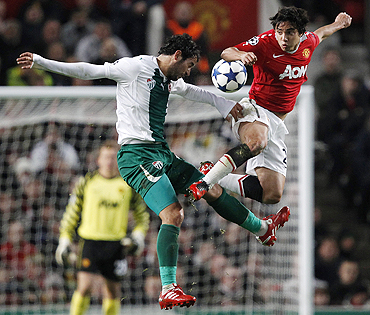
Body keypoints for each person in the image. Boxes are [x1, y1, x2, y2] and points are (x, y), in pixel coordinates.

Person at [17, 33, 290, 310]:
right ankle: (168, 288)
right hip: (136, 156)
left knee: (212, 186)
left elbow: (195, 92)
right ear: (177, 56)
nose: (188, 72)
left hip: (161, 154)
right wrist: (41, 62)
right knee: (173, 213)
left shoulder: (170, 79)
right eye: (189, 65)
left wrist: (223, 104)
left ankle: (263, 228)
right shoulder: (134, 67)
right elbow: (90, 70)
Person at [188, 7, 352, 206]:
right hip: (255, 109)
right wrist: (241, 56)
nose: (283, 37)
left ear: (300, 34)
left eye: (289, 32)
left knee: (271, 194)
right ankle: (204, 183)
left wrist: (339, 23)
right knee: (257, 142)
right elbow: (226, 52)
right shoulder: (265, 43)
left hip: (276, 122)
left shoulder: (308, 42)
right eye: (279, 31)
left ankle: (213, 173)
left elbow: (321, 33)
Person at [54, 140, 150, 315]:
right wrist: (64, 239)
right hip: (90, 242)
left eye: (113, 157)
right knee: (84, 287)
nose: (109, 161)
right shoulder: (87, 182)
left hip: (115, 243)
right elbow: (72, 212)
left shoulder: (128, 184)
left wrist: (138, 236)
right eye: (106, 157)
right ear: (98, 160)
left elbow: (141, 215)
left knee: (112, 291)